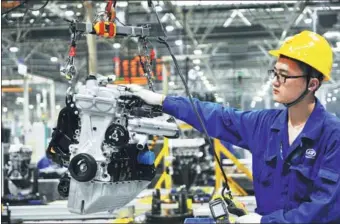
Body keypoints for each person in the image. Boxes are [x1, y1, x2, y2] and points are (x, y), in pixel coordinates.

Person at [125, 30, 340, 223]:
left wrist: (264, 222)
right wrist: (162, 101)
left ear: (312, 84)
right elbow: (216, 116)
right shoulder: (265, 125)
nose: (275, 81)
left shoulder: (333, 136)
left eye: (284, 76)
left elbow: (324, 208)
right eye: (275, 73)